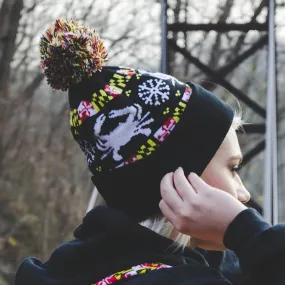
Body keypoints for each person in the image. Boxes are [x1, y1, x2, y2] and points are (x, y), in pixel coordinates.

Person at [14, 19, 285, 285]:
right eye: (232, 168)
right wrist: (245, 231)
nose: (243, 193)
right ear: (175, 179)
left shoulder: (73, 268)